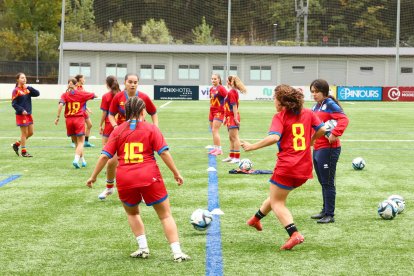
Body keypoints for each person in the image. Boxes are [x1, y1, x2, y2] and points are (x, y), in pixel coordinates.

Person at [86, 97, 190, 262]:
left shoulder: (118, 130)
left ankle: (143, 248)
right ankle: (177, 252)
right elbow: (163, 152)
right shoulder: (151, 128)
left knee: (133, 213)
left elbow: (105, 156)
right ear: (143, 112)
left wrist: (93, 177)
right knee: (165, 215)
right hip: (149, 176)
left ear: (126, 112)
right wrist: (176, 173)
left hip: (125, 178)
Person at [242, 84, 325, 250]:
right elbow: (322, 129)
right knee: (276, 196)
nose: (274, 101)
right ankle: (255, 219)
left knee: (277, 202)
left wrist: (251, 147)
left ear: (282, 103)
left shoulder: (280, 116)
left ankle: (294, 234)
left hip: (287, 167)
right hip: (304, 168)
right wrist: (311, 141)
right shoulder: (308, 113)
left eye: (275, 98)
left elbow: (274, 138)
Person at [98, 73, 158, 200]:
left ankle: (142, 192)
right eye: (130, 82)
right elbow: (110, 114)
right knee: (111, 162)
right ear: (125, 83)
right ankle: (109, 188)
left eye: (135, 82)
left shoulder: (143, 97)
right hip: (121, 134)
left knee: (140, 163)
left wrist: (155, 127)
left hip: (139, 135)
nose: (132, 84)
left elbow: (153, 112)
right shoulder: (118, 97)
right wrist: (115, 127)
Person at [310, 79, 349, 223]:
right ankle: (324, 210)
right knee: (322, 181)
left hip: (329, 149)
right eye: (312, 92)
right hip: (318, 148)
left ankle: (330, 215)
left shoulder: (330, 104)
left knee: (328, 182)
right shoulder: (316, 107)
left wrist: (335, 133)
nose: (314, 94)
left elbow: (344, 120)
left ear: (324, 92)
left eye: (316, 91)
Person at [55, 78, 97, 168]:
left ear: (68, 85)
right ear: (76, 84)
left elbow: (60, 105)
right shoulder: (81, 93)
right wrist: (92, 96)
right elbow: (94, 95)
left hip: (69, 120)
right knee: (81, 142)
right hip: (79, 119)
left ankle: (83, 160)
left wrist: (58, 117)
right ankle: (76, 159)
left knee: (77, 143)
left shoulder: (65, 95)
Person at [11, 72, 40, 157]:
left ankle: (16, 144)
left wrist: (29, 87)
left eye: (25, 77)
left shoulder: (27, 89)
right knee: (24, 133)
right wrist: (21, 110)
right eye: (22, 78)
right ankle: (23, 152)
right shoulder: (16, 90)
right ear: (18, 80)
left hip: (29, 114)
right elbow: (14, 103)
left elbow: (37, 93)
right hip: (21, 115)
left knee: (30, 133)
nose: (24, 79)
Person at [222, 75, 247, 163]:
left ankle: (236, 157)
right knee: (231, 138)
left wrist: (235, 118)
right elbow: (228, 106)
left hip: (233, 117)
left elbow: (234, 106)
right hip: (230, 117)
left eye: (227, 81)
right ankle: (231, 156)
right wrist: (225, 117)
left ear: (229, 82)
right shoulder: (232, 91)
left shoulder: (232, 92)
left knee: (235, 137)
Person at [208, 73, 228, 156]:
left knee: (215, 130)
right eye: (212, 79)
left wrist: (226, 113)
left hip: (219, 112)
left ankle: (219, 150)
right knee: (212, 130)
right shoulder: (211, 89)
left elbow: (227, 98)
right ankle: (215, 148)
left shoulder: (221, 88)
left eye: (215, 79)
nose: (213, 80)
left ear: (219, 80)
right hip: (212, 111)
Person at [74, 74, 95, 147]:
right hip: (78, 110)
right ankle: (74, 142)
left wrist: (86, 108)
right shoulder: (76, 88)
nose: (84, 80)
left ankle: (86, 142)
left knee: (89, 125)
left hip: (83, 109)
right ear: (80, 79)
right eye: (84, 78)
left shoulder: (82, 87)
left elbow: (82, 99)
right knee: (78, 127)